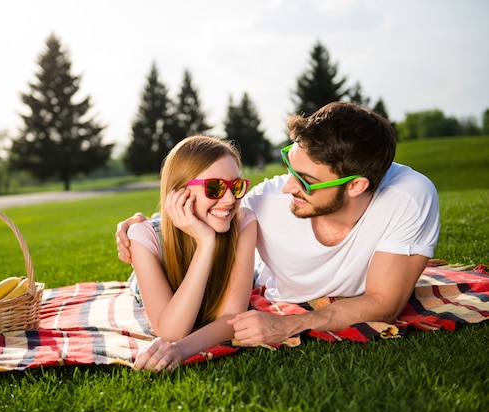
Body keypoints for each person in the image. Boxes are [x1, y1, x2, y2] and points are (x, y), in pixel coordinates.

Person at [117, 102, 440, 347]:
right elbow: (198, 211)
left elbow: (386, 303)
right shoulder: (263, 205)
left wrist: (286, 325)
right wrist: (142, 227)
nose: (286, 188)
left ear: (355, 186)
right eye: (290, 168)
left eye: (306, 181)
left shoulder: (408, 197)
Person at [128, 135, 257, 372]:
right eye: (215, 187)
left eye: (236, 186)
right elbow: (170, 331)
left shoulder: (244, 221)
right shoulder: (143, 238)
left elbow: (232, 316)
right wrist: (206, 243)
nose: (230, 199)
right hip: (152, 273)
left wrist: (182, 349)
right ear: (179, 193)